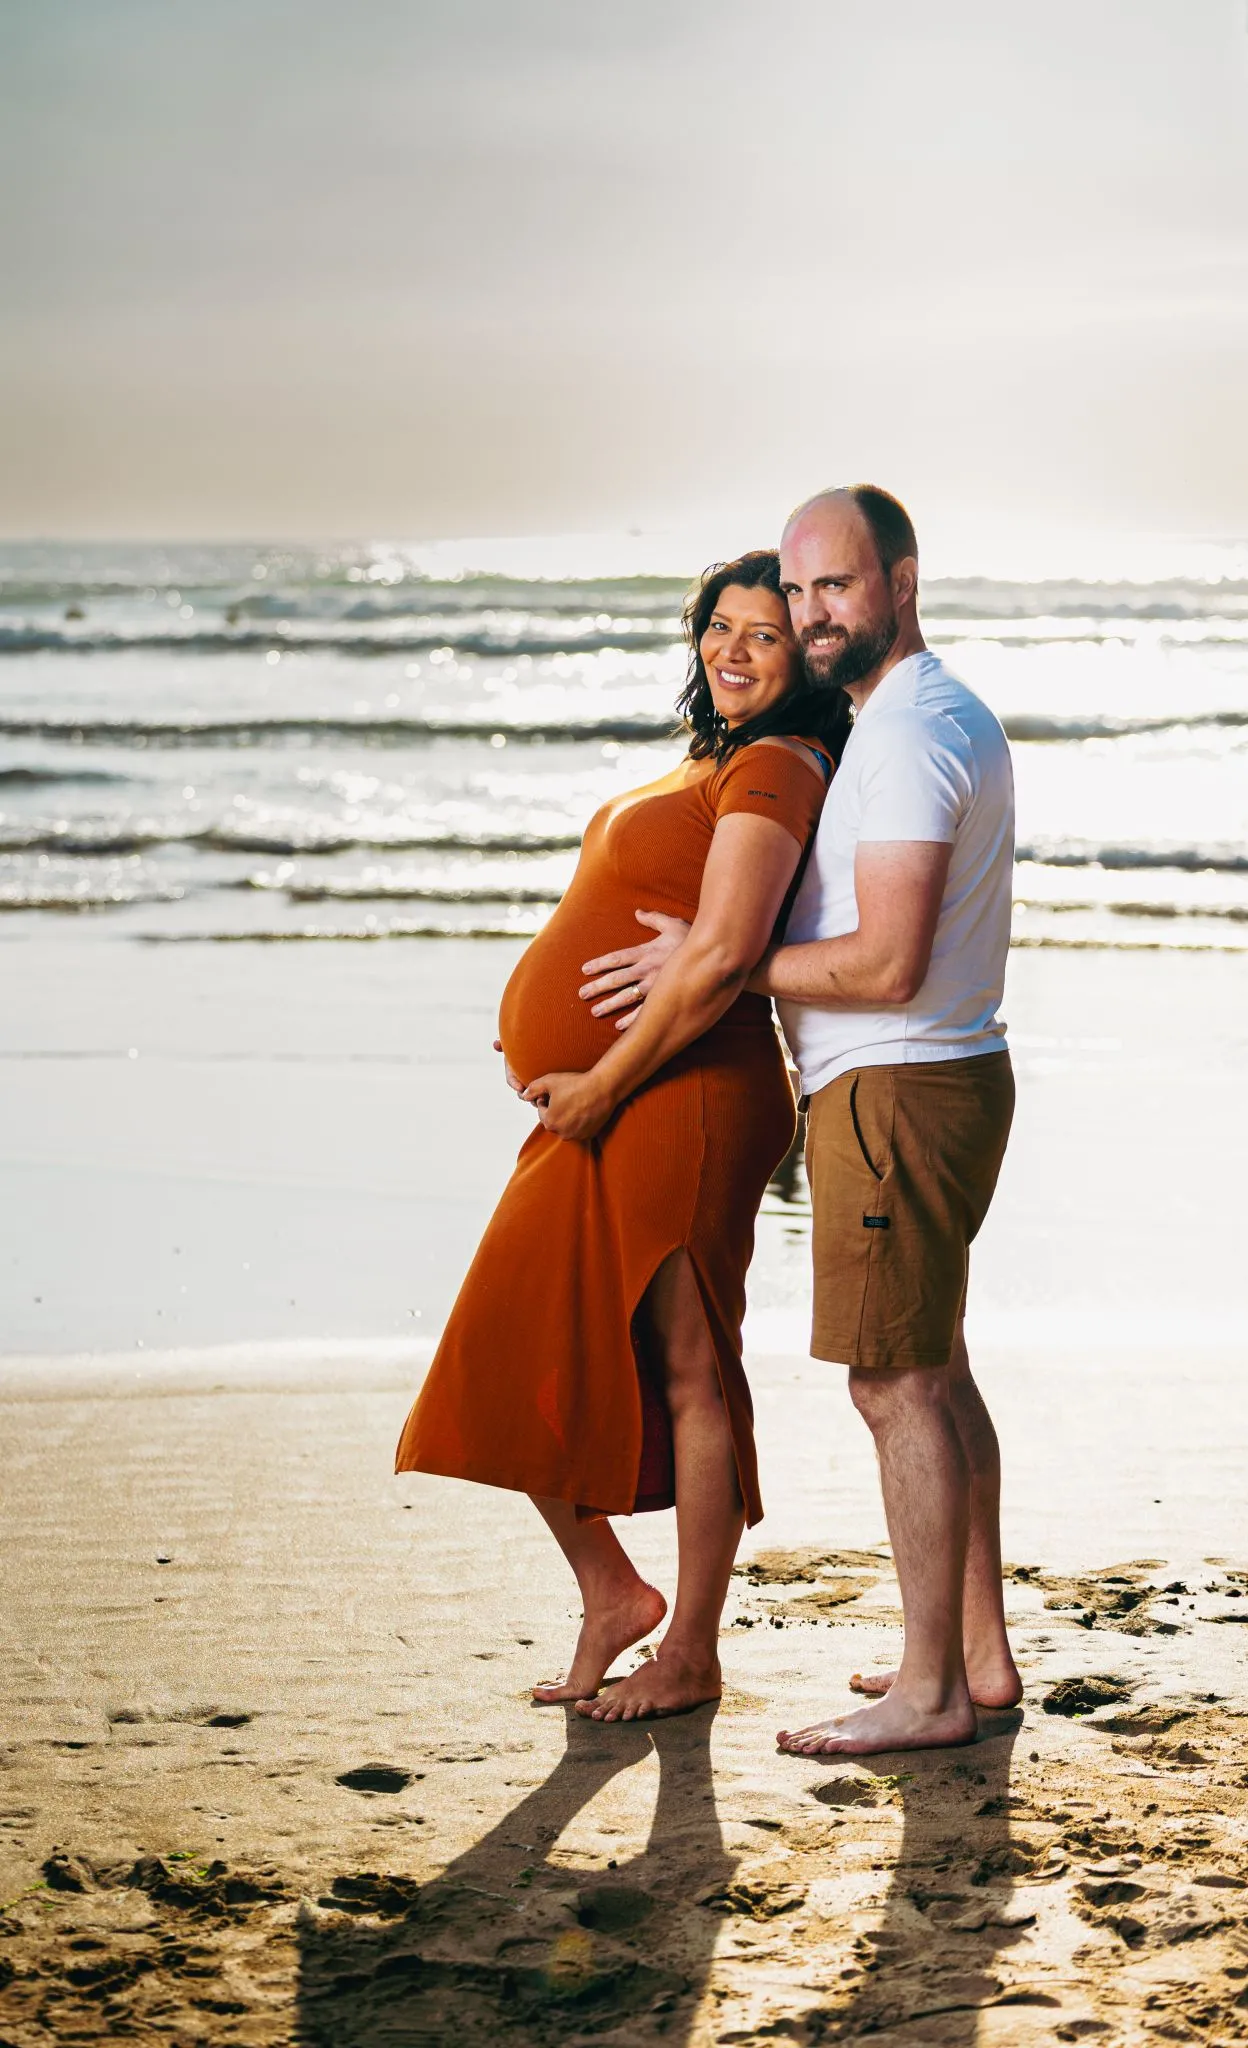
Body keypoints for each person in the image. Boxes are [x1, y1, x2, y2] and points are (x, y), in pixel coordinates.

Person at [578, 486, 1018, 1754]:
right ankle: (974, 1657)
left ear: (903, 580)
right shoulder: (923, 717)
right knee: (936, 1370)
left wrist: (719, 963)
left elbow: (883, 963)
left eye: (840, 587)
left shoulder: (910, 733)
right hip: (933, 1076)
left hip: (894, 1084)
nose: (819, 614)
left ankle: (930, 1689)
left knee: (893, 1385)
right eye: (805, 591)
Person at [395, 550, 851, 1724]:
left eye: (765, 632)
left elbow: (719, 958)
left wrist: (600, 1079)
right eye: (720, 625)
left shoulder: (777, 764)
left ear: (807, 654)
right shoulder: (712, 759)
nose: (734, 649)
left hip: (683, 1094)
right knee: (511, 1333)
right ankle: (612, 1588)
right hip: (618, 1089)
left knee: (693, 1368)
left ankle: (691, 1650)